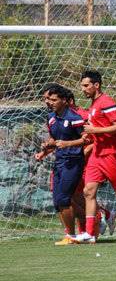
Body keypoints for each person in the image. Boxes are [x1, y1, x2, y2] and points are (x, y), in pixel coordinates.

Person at [75, 70, 116, 244]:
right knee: (88, 191)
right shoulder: (94, 105)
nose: (83, 89)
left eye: (86, 85)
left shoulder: (107, 101)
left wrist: (95, 130)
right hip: (97, 153)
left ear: (97, 85)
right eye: (82, 86)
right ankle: (89, 233)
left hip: (111, 154)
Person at [35, 85, 86, 245]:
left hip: (73, 162)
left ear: (64, 101)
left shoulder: (74, 118)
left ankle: (72, 236)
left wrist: (68, 143)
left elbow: (87, 139)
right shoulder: (51, 118)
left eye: (53, 99)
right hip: (59, 162)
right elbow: (54, 140)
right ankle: (83, 226)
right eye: (47, 99)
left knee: (64, 199)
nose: (49, 102)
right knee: (58, 201)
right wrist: (45, 149)